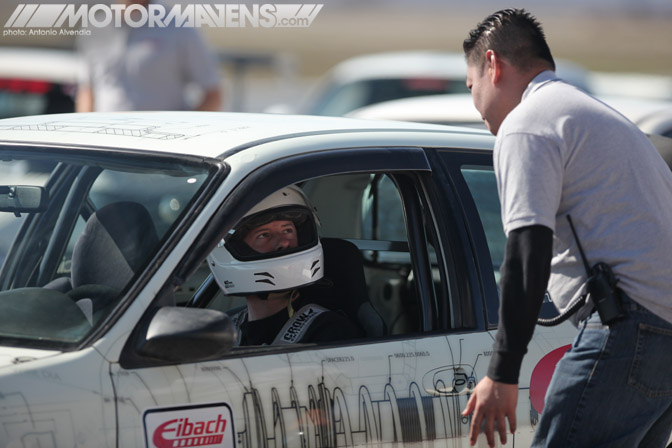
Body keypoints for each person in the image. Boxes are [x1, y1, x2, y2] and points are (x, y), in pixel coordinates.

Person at [461, 9, 672, 448]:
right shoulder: (594, 114)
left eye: (471, 87)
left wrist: (502, 372)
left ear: (494, 66)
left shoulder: (527, 123)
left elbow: (526, 251)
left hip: (631, 328)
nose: (475, 105)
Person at [207, 185, 364, 346]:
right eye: (264, 235)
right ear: (234, 249)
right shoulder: (225, 329)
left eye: (288, 230)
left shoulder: (330, 332)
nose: (283, 242)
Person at [76, 0, 222, 112]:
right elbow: (87, 90)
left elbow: (213, 94)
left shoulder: (178, 27)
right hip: (103, 141)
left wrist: (184, 134)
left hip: (159, 145)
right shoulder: (94, 27)